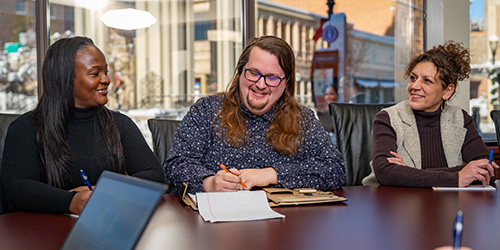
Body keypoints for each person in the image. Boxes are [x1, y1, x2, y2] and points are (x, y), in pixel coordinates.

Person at [1, 37, 164, 215]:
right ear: (65, 79)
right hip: (41, 232)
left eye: (106, 72)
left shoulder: (120, 124)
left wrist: (104, 190)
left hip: (104, 228)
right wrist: (70, 202)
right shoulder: (27, 128)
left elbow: (155, 175)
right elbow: (18, 188)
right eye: (95, 73)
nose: (107, 80)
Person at [165, 36, 345, 193]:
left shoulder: (302, 120)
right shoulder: (207, 110)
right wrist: (209, 183)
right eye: (254, 73)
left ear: (286, 83)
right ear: (241, 72)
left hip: (284, 226)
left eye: (272, 77)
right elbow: (176, 164)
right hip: (217, 227)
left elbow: (335, 169)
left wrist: (271, 174)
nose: (260, 84)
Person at [363, 41, 498, 187]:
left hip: (446, 205)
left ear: (447, 91)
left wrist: (408, 172)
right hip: (394, 205)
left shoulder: (460, 119)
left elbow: (487, 169)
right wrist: (457, 177)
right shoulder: (387, 118)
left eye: (427, 81)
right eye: (413, 78)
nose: (414, 86)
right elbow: (385, 173)